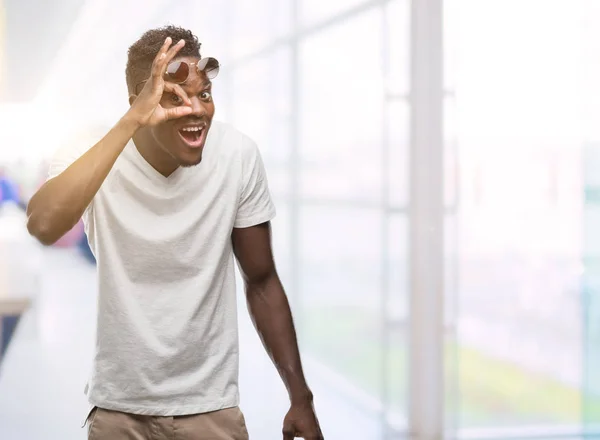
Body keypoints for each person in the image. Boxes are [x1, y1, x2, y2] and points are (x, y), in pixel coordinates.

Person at [26, 25, 324, 440]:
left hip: (210, 408)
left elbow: (262, 279)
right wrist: (130, 123)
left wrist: (300, 398)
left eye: (204, 94)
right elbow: (43, 224)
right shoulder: (92, 151)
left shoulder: (237, 155)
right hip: (119, 408)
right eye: (174, 98)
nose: (196, 110)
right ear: (139, 103)